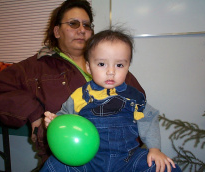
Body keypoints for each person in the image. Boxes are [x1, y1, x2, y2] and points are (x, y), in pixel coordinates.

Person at [0, 0, 145, 166]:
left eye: (87, 25)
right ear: (57, 31)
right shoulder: (36, 67)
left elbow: (139, 101)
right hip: (67, 159)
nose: (82, 30)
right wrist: (34, 113)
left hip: (120, 156)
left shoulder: (107, 64)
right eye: (73, 24)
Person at [41, 29, 181, 172]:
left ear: (128, 67)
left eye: (119, 65)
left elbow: (149, 120)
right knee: (53, 166)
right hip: (87, 162)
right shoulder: (80, 95)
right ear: (89, 67)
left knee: (167, 167)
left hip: (129, 159)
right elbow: (65, 117)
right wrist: (55, 121)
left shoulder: (134, 97)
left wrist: (155, 149)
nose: (111, 71)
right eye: (102, 64)